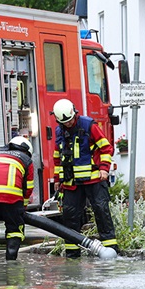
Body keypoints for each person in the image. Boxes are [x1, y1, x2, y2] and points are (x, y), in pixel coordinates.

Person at [52, 98, 119, 257]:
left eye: (70, 120)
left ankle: (111, 250)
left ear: (75, 114)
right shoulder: (59, 131)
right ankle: (72, 254)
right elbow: (57, 157)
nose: (69, 124)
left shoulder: (89, 125)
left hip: (94, 178)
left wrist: (104, 168)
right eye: (65, 122)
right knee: (70, 216)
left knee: (101, 211)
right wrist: (57, 179)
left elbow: (106, 148)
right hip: (71, 183)